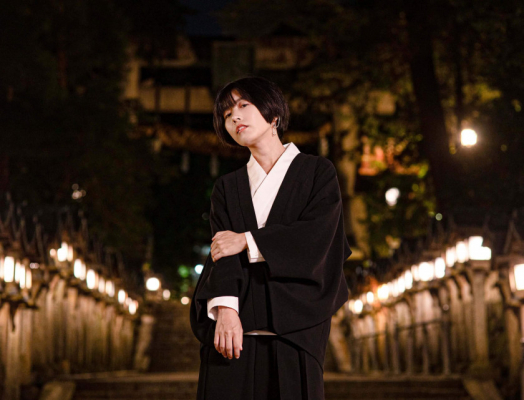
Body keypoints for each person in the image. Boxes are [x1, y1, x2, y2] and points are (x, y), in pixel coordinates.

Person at [190, 76, 352, 400]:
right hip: (235, 334)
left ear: (273, 113)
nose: (234, 117)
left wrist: (248, 240)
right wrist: (226, 311)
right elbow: (222, 252)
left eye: (243, 105)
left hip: (296, 332)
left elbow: (317, 237)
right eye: (226, 114)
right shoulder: (227, 188)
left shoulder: (317, 173)